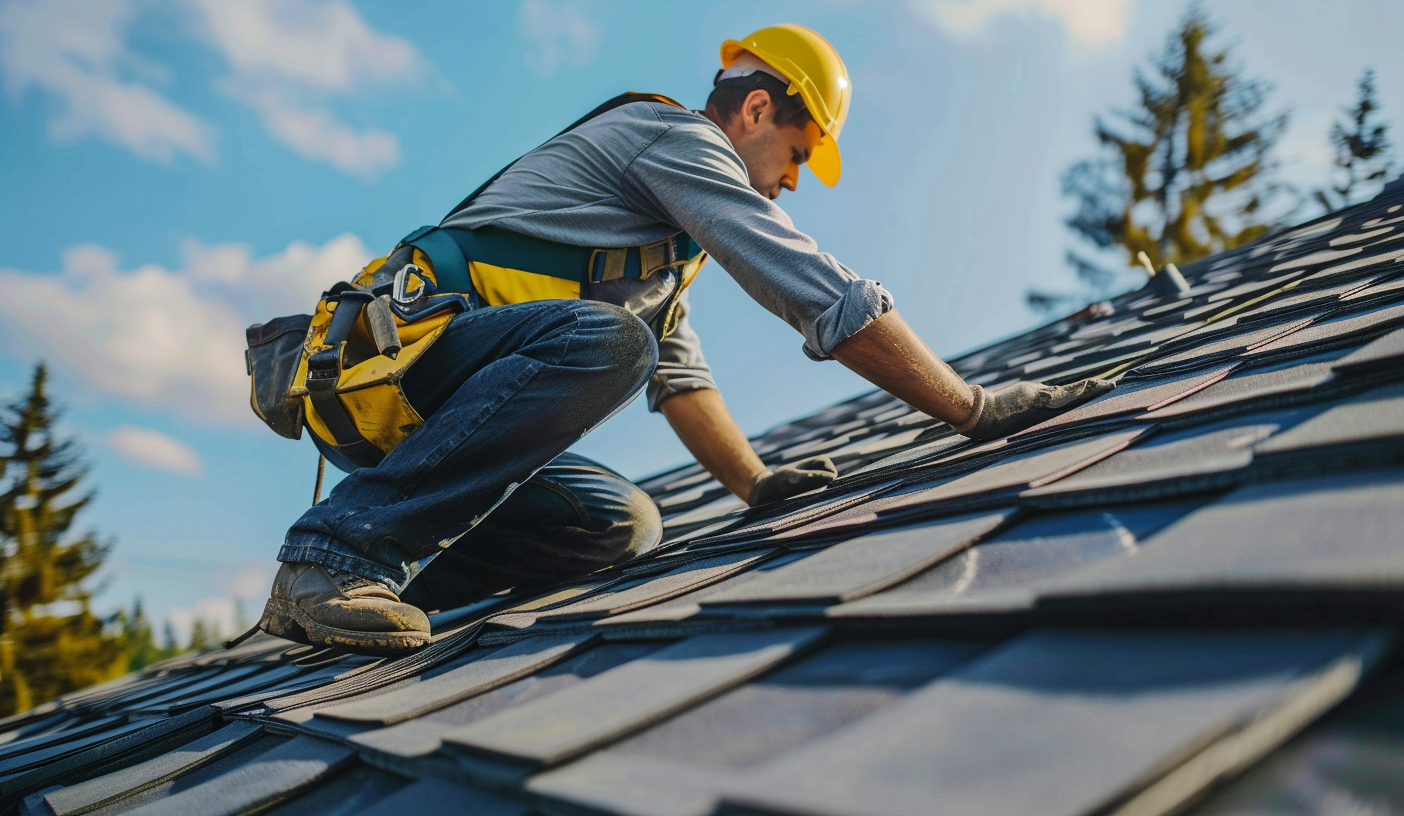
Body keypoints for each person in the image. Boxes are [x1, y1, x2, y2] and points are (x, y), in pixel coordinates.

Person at [258, 24, 1113, 654]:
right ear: (753, 108)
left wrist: (757, 484)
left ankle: (371, 585)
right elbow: (812, 286)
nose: (789, 186)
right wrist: (968, 407)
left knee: (622, 526)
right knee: (609, 347)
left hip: (431, 410)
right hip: (390, 373)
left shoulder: (661, 253)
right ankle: (334, 551)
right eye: (797, 153)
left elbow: (681, 377)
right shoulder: (676, 140)